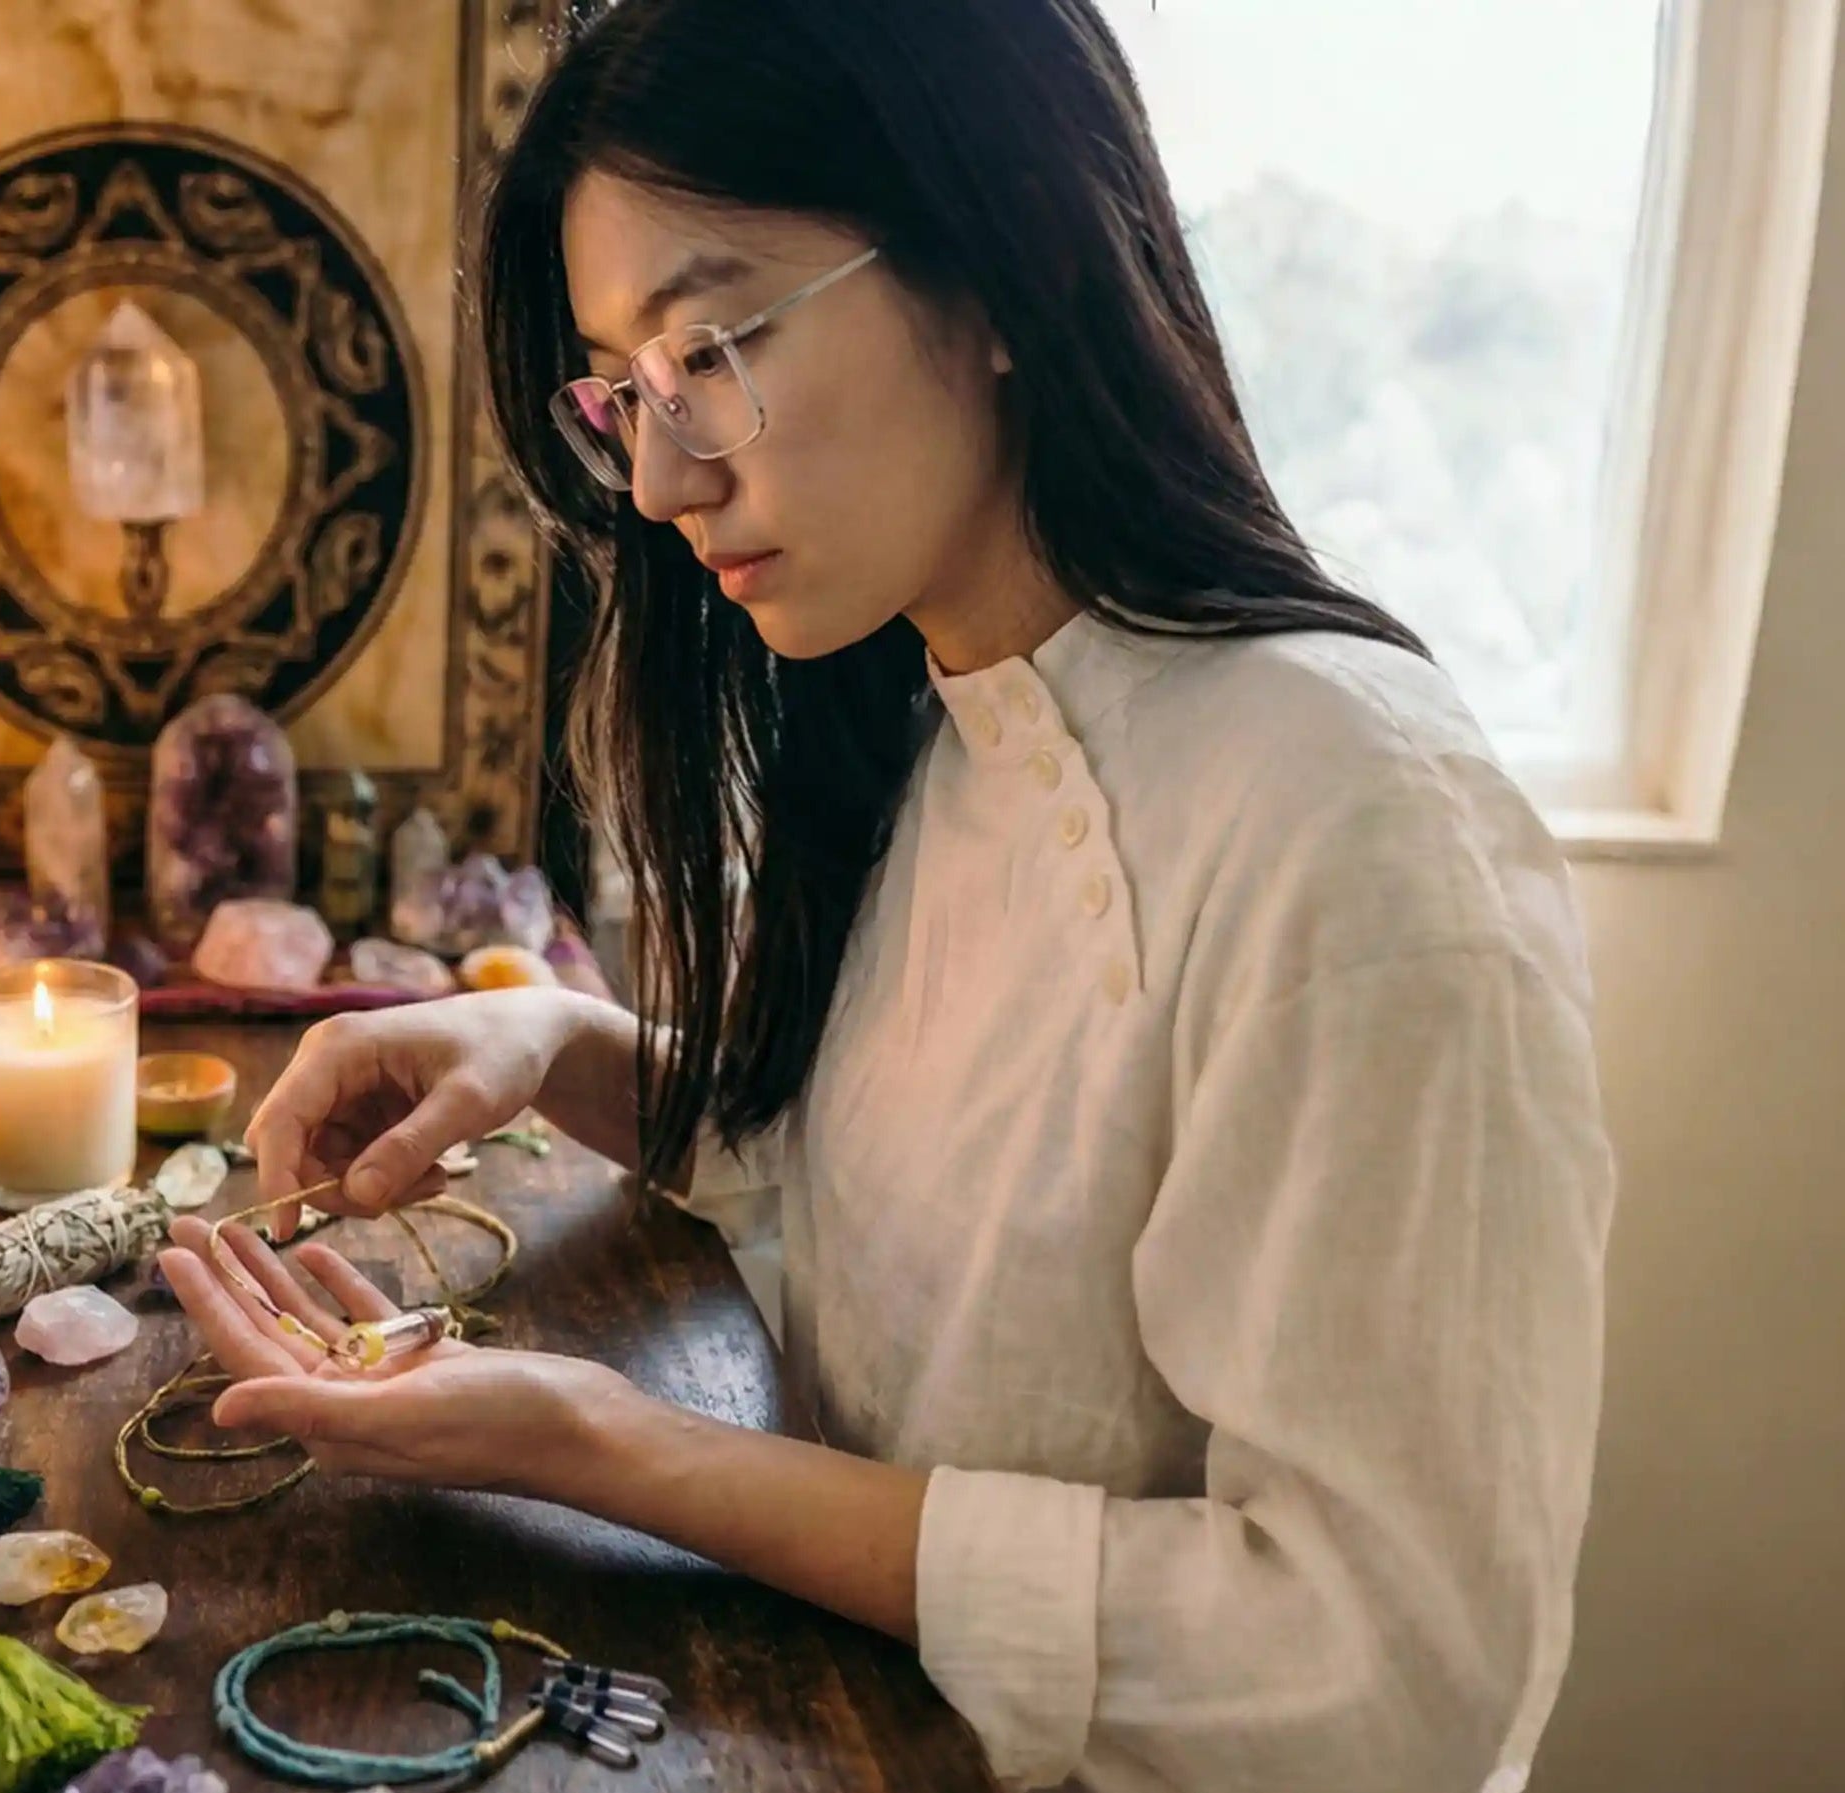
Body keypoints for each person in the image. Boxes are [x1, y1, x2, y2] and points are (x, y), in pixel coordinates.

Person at [153, 2, 1613, 1787]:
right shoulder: (937, 715)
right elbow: (925, 1195)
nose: (664, 476)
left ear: (994, 267)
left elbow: (1382, 1673)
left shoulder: (1365, 830)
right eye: (625, 385)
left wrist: (615, 1450)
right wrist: (564, 1042)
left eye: (710, 344)